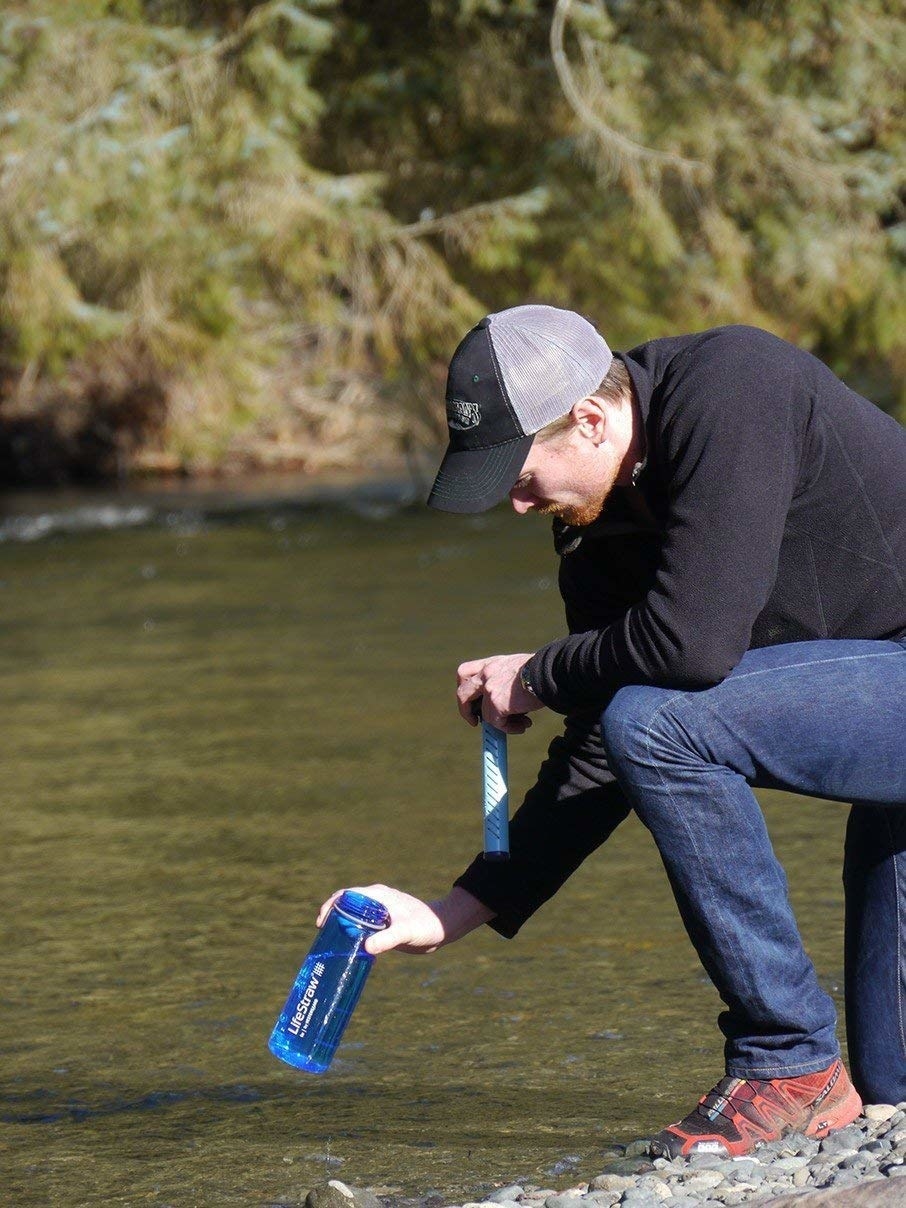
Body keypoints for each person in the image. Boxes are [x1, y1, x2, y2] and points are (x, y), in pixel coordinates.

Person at [319, 305, 906, 1158]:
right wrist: (454, 910)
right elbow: (600, 752)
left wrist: (540, 672)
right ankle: (830, 1092)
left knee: (659, 717)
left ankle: (789, 1066)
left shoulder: (733, 388)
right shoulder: (595, 533)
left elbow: (691, 649)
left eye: (519, 476)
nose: (516, 505)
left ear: (590, 419)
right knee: (897, 1101)